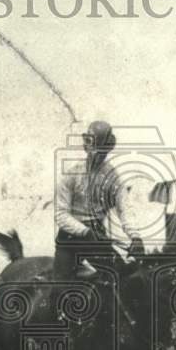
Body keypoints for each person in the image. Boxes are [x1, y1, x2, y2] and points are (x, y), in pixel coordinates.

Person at [53, 120, 145, 280]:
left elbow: (125, 209)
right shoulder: (72, 174)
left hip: (96, 239)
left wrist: (135, 237)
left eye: (101, 151)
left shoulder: (113, 177)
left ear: (107, 150)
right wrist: (84, 231)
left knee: (120, 277)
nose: (95, 154)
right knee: (60, 288)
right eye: (92, 149)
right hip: (69, 240)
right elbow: (61, 214)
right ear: (86, 147)